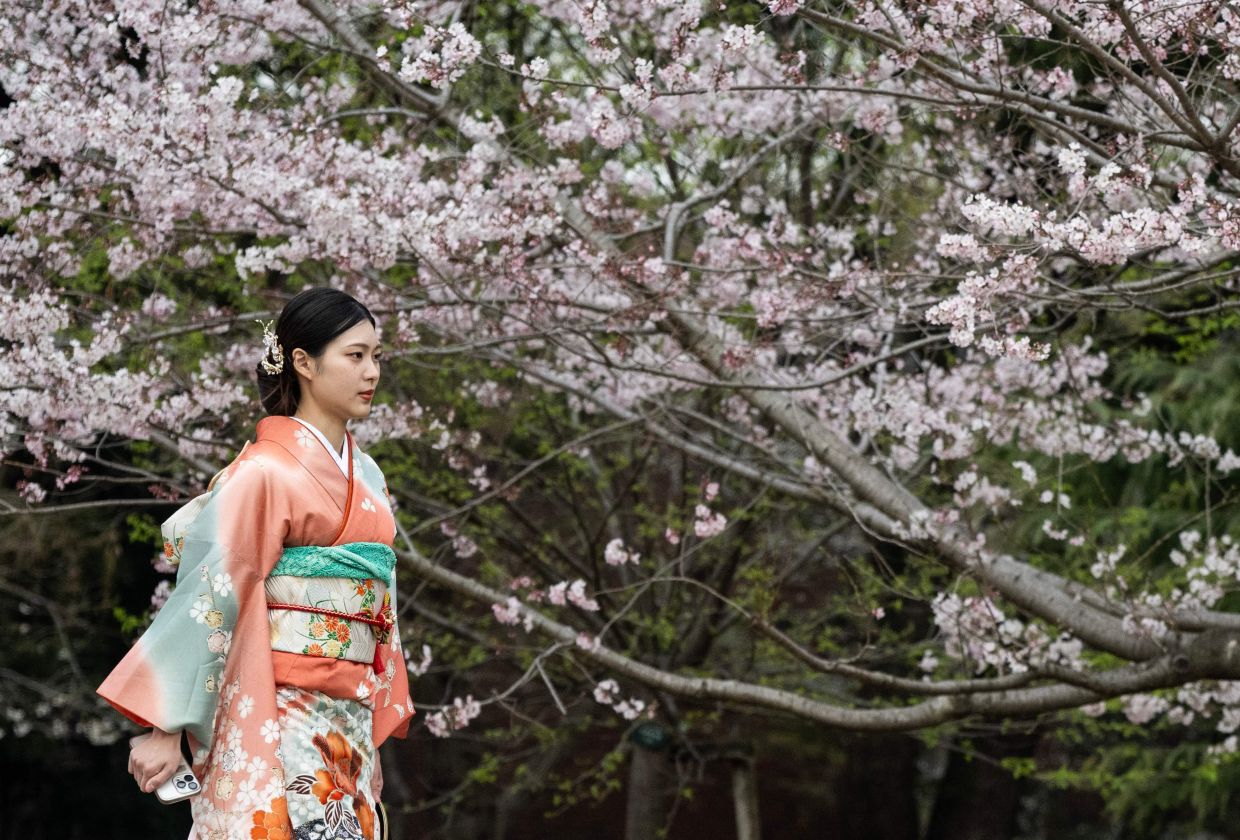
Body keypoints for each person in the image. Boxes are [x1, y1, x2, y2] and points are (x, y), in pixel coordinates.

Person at [98, 287, 413, 840]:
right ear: (304, 363)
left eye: (376, 357)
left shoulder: (369, 476)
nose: (371, 373)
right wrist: (166, 724)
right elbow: (211, 592)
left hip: (349, 720)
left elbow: (378, 600)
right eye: (355, 355)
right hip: (278, 710)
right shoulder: (264, 473)